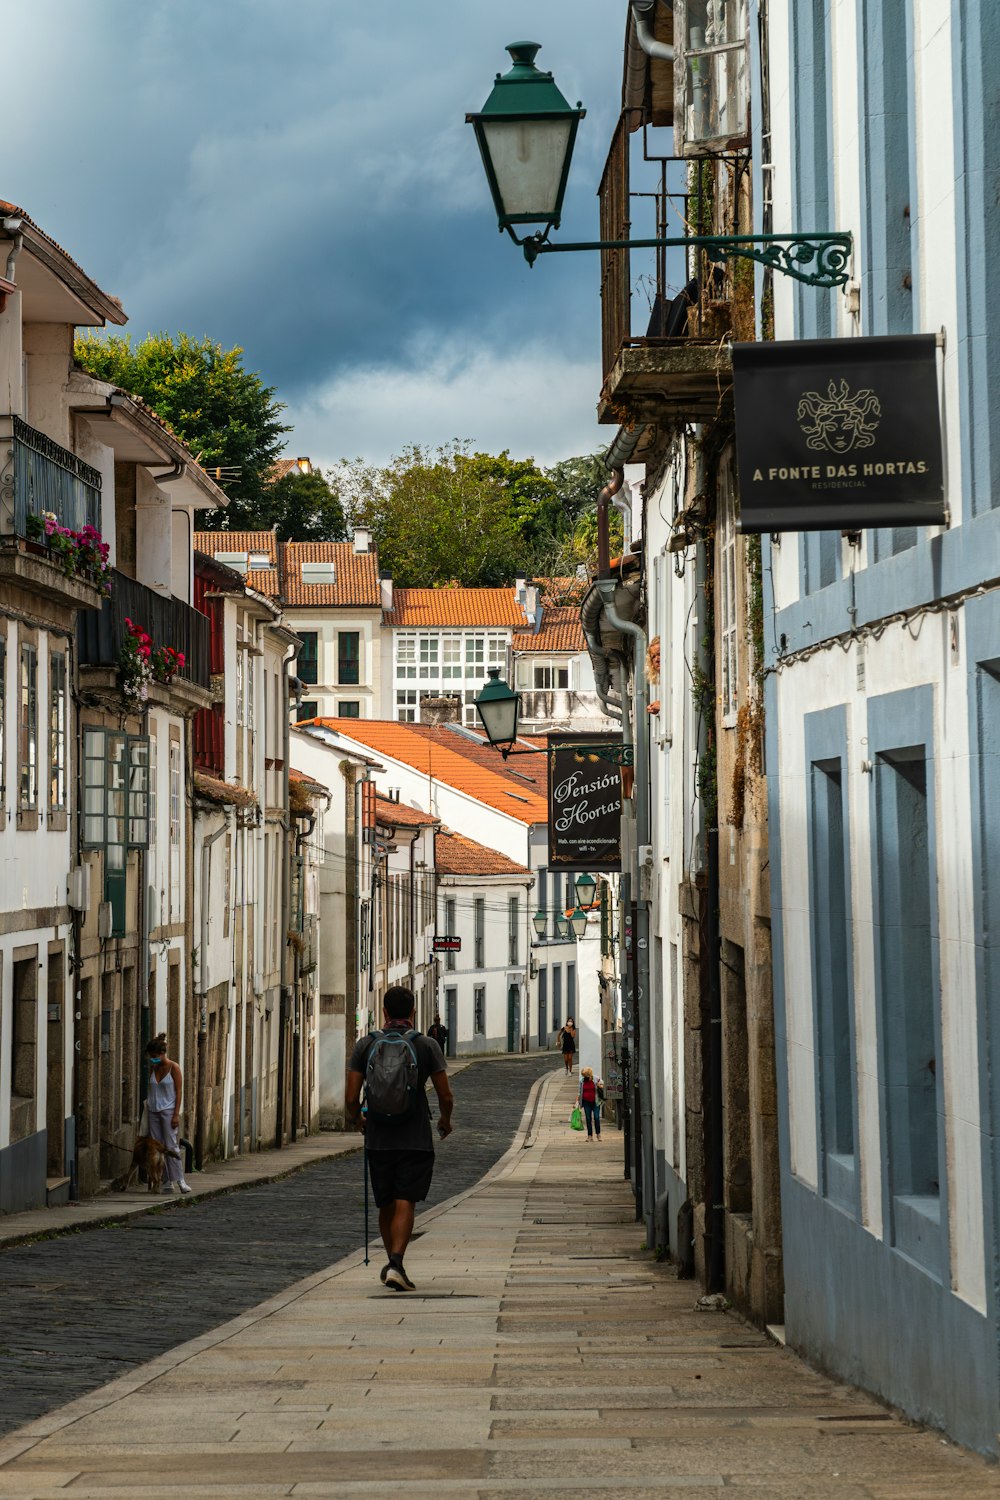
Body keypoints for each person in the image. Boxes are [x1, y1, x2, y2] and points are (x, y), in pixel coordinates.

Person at [345, 986, 454, 1293]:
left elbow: (352, 1096)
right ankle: (396, 1263)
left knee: (386, 1201)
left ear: (383, 1012)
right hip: (414, 1136)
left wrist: (359, 1120)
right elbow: (445, 1094)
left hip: (378, 1137)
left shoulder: (365, 1044)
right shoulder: (426, 1045)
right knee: (406, 1198)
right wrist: (445, 1121)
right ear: (413, 1012)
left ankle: (391, 1261)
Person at [145, 1034, 191, 1194]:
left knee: (171, 1146)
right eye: (151, 1057)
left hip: (168, 1111)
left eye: (155, 1057)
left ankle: (180, 1180)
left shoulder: (174, 1068)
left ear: (162, 1053)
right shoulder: (154, 1068)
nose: (153, 1059)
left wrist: (176, 1114)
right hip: (153, 1111)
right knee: (157, 1148)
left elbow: (179, 1092)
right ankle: (165, 1180)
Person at [578, 1066, 602, 1142]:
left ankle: (598, 1134)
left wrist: (599, 1085)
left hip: (595, 1102)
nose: (584, 1077)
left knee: (596, 1118)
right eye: (583, 1075)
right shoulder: (582, 1081)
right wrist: (577, 1102)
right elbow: (580, 1092)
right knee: (588, 1119)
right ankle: (589, 1136)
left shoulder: (596, 1079)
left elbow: (602, 1085)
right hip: (586, 1102)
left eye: (585, 1075)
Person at [646, 635, 661, 715]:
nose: (656, 659)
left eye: (659, 654)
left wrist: (662, 705)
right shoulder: (662, 679)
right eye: (653, 657)